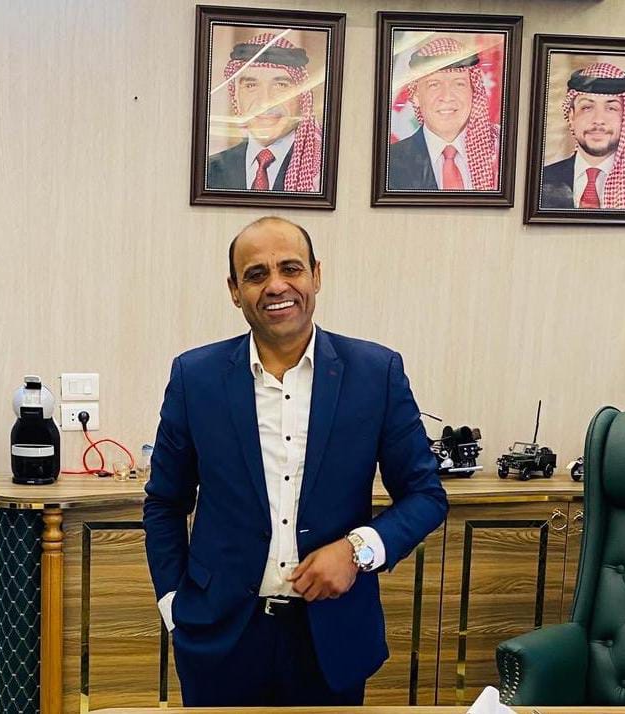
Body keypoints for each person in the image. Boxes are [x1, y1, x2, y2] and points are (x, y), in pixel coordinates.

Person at [143, 216, 448, 706]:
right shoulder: (194, 377)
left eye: (290, 268)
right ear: (234, 290)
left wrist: (356, 550)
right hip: (220, 637)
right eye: (256, 274)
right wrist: (174, 604)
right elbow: (164, 502)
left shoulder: (376, 373)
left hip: (331, 638)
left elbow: (426, 496)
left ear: (316, 275)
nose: (276, 286)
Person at [206, 34, 322, 193]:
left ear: (302, 97)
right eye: (251, 86)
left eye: (281, 85)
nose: (265, 102)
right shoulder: (210, 171)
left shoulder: (320, 171)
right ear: (236, 97)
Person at [388, 37, 499, 192]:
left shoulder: (499, 150)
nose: (447, 96)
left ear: (473, 92)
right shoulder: (390, 162)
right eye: (434, 85)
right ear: (416, 96)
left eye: (459, 84)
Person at [541, 62, 625, 209]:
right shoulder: (542, 180)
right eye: (587, 108)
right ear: (571, 117)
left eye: (611, 108)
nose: (598, 119)